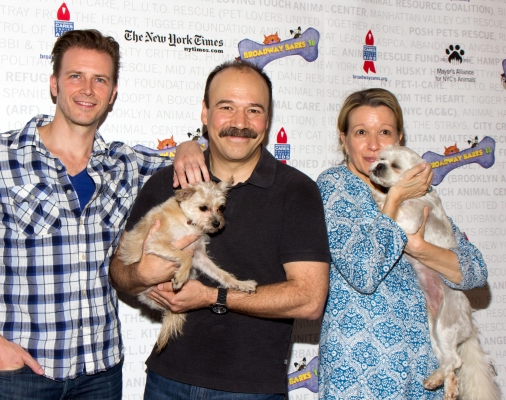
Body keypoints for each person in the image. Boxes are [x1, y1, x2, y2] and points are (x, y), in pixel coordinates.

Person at [0, 29, 207, 400]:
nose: (87, 89)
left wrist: (189, 145)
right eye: (75, 76)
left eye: (100, 79)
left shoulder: (125, 164)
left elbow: (221, 152)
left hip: (101, 373)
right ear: (55, 85)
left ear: (112, 94)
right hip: (18, 374)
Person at [109, 60, 331, 399]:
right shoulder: (168, 182)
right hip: (166, 380)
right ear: (205, 113)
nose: (240, 123)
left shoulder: (296, 191)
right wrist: (141, 274)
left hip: (250, 389)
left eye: (253, 110)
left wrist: (212, 297)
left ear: (268, 120)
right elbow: (118, 273)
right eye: (226, 107)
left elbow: (310, 300)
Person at [316, 88, 487, 399]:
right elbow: (363, 272)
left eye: (384, 132)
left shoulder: (419, 193)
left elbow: (475, 271)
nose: (373, 144)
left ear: (399, 138)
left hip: (424, 368)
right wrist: (395, 199)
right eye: (360, 132)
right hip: (361, 370)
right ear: (344, 139)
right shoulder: (335, 187)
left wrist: (421, 248)